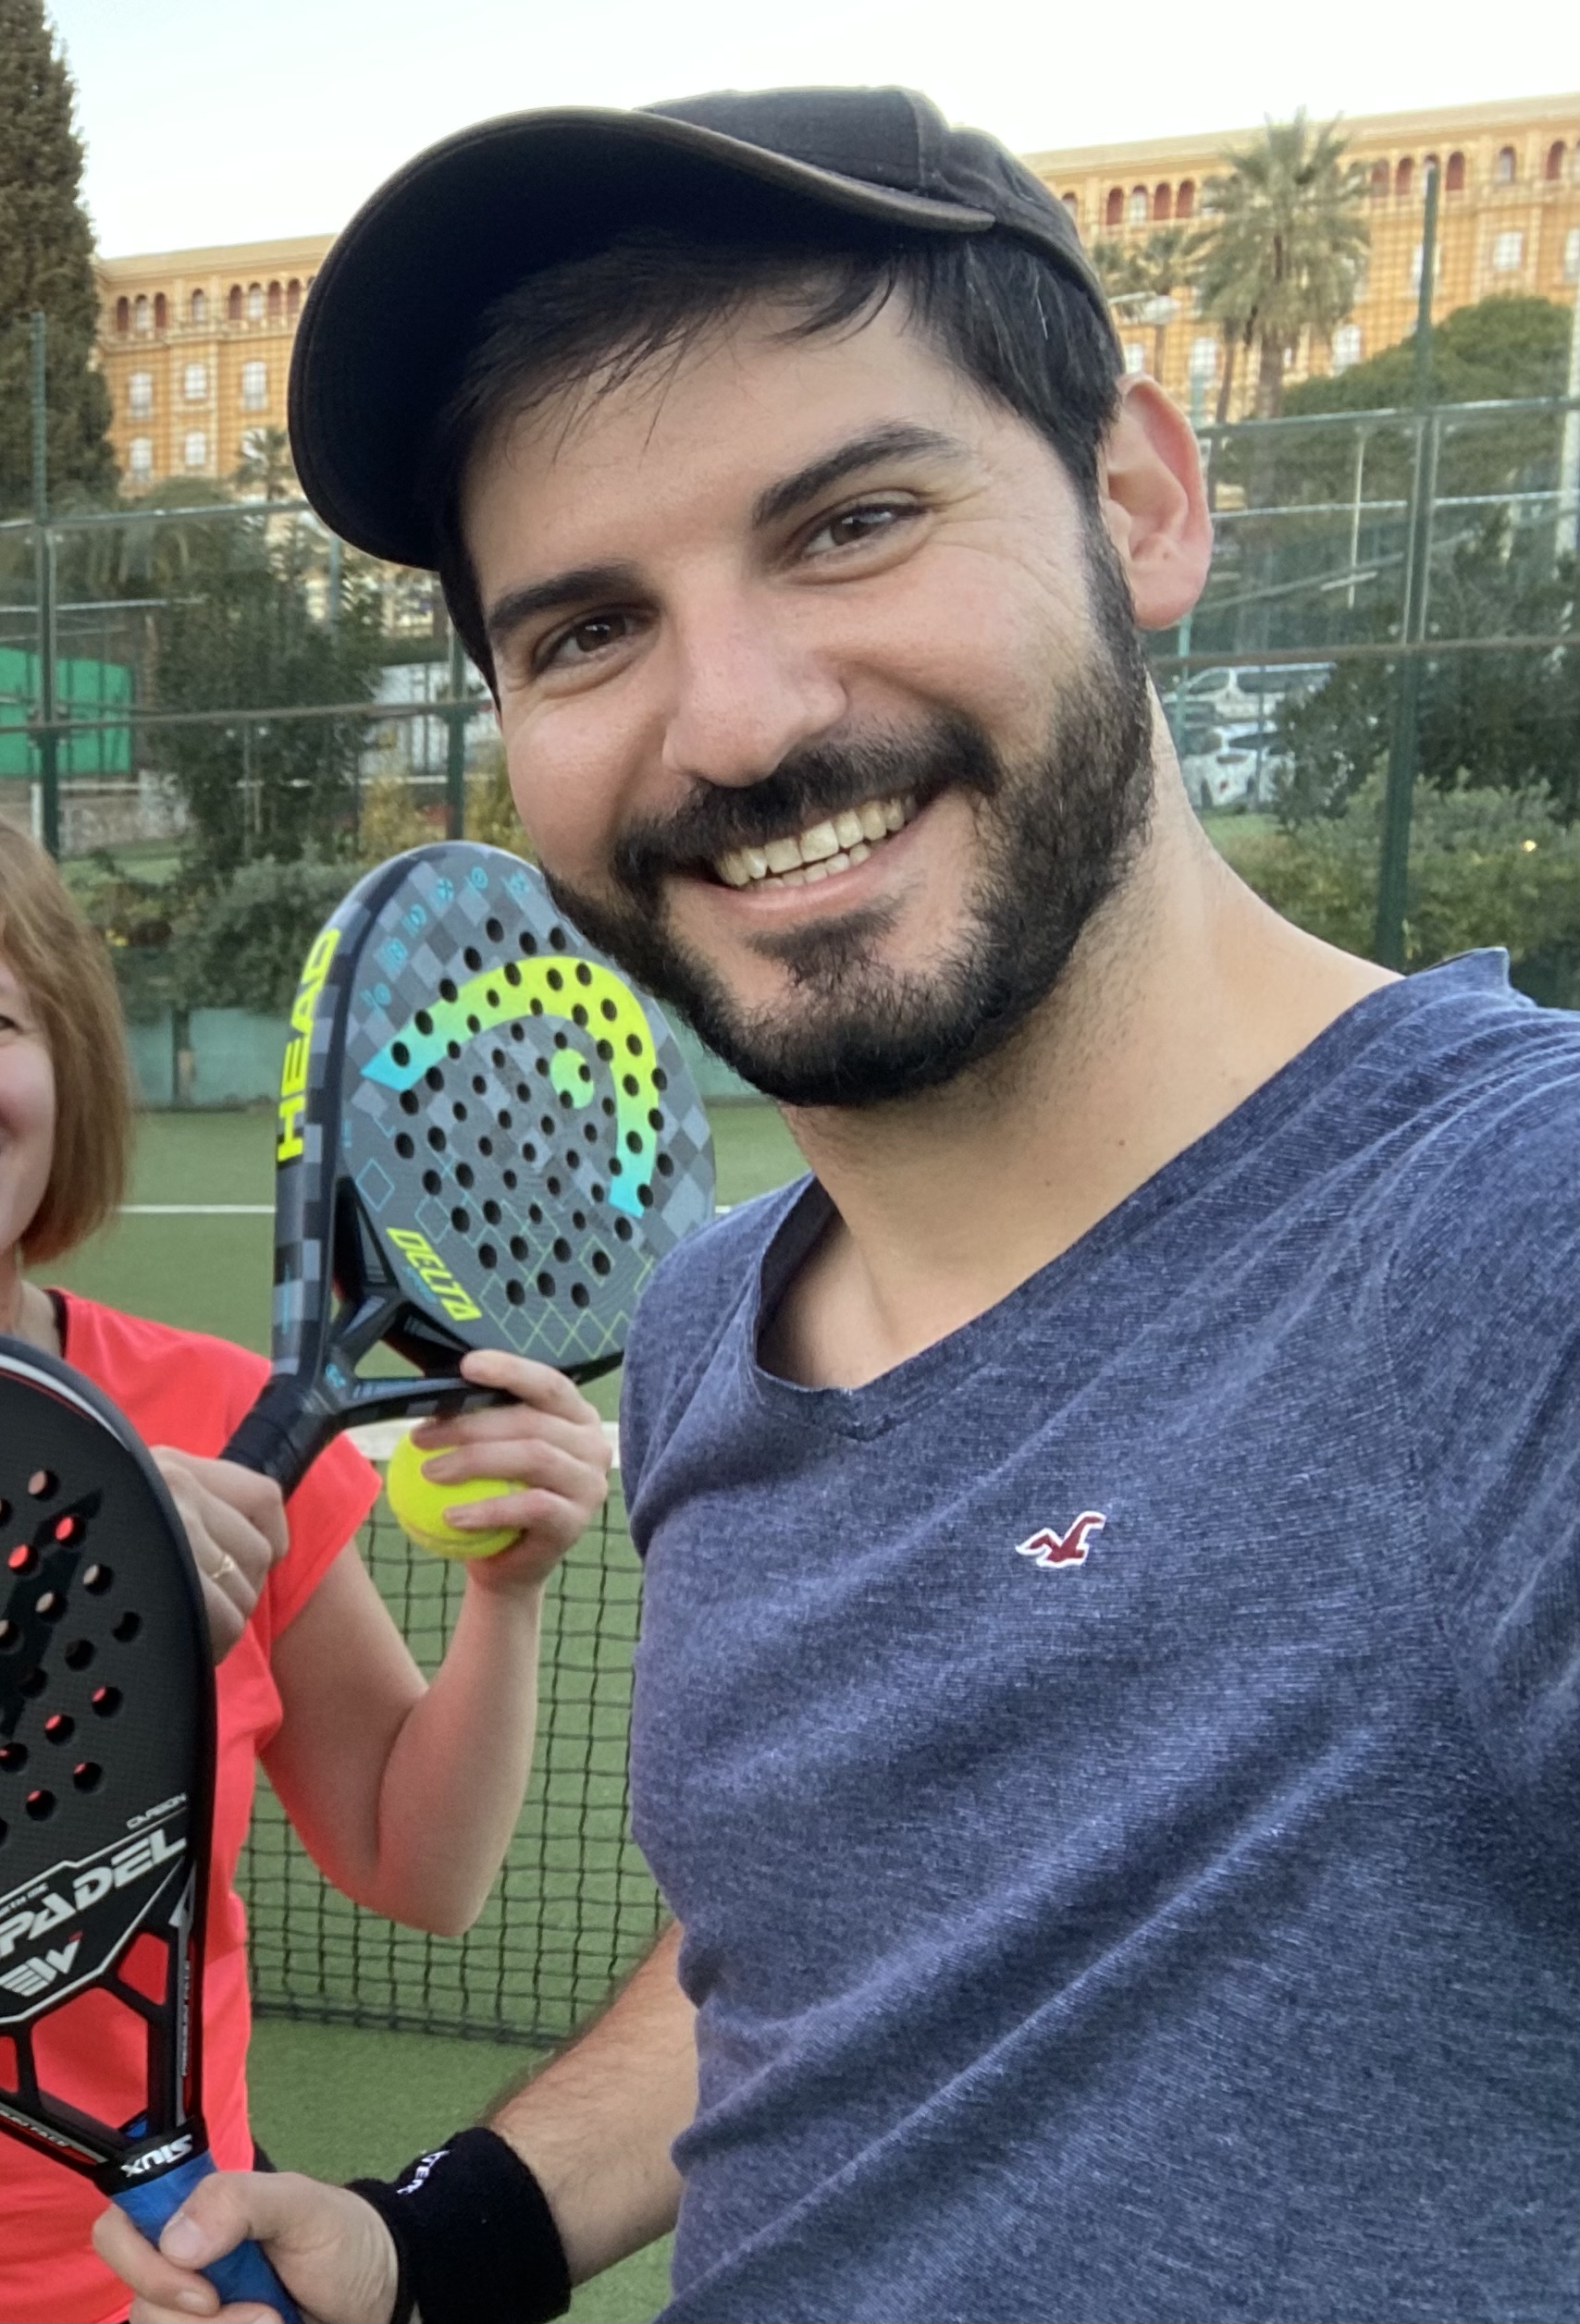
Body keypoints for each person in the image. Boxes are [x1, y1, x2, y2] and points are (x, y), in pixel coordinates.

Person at [101, 87, 1579, 2324]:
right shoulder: (715, 1324)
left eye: (852, 522)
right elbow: (822, 1939)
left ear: (1136, 503)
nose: (733, 725)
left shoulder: (1514, 1248)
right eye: (585, 633)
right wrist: (443, 2234)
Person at [0, 830, 611, 2324]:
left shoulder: (211, 1418)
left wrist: (508, 1593)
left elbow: (418, 1862)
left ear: (66, 1061)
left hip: (173, 2260)